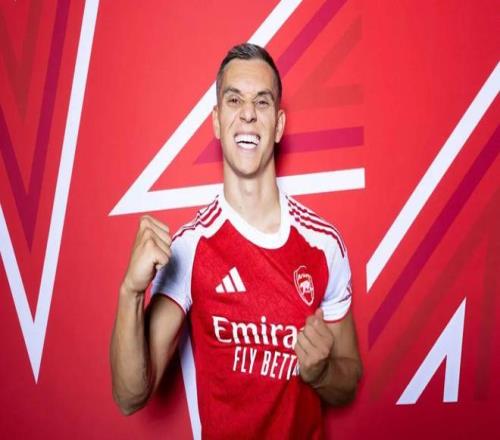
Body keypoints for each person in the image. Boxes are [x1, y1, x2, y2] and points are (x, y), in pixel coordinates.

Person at [110, 43, 362, 439]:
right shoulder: (190, 247)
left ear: (278, 125)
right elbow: (130, 396)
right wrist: (130, 292)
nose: (247, 113)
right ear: (216, 121)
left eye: (262, 102)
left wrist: (323, 373)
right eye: (234, 100)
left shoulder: (323, 243)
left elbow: (348, 377)